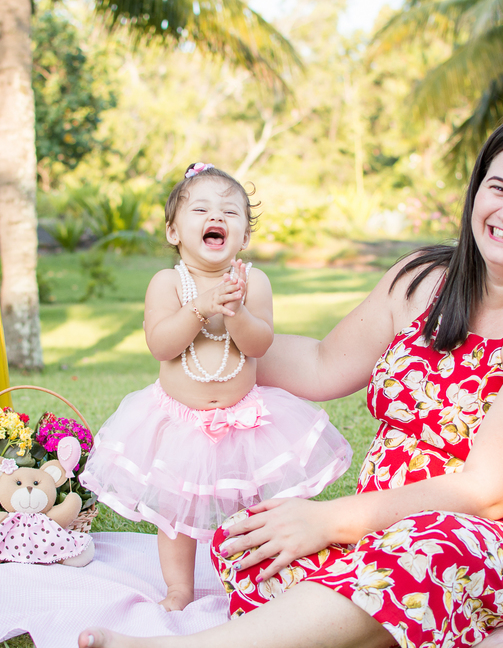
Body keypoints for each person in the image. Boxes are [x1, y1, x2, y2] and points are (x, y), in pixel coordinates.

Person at [77, 112, 503, 648]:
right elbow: (323, 363)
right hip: (381, 525)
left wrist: (325, 520)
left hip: (492, 539)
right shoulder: (423, 280)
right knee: (249, 540)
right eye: (497, 188)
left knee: (422, 555)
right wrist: (208, 356)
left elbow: (486, 492)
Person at [79, 162, 352, 612]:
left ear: (243, 237)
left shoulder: (254, 282)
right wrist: (200, 308)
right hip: (178, 423)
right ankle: (179, 589)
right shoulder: (167, 283)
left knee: (253, 509)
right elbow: (161, 345)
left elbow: (258, 344)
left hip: (245, 420)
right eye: (201, 208)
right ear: (173, 232)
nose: (217, 217)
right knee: (177, 517)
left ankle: (255, 580)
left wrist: (238, 311)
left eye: (230, 212)